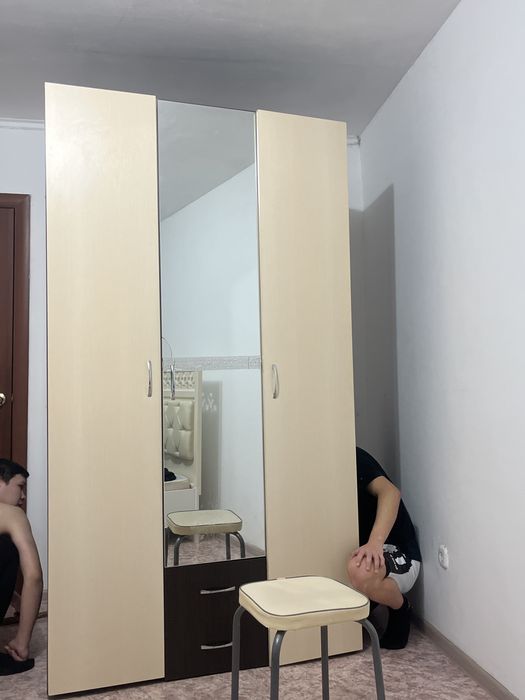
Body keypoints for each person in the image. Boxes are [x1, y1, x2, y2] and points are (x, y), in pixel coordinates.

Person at [347, 447, 421, 649]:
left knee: (361, 570)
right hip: (362, 550)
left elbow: (391, 493)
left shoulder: (355, 457)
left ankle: (401, 608)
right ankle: (373, 598)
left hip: (397, 550)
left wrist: (375, 542)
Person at [0, 458, 43, 675]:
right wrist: (22, 642)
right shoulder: (12, 514)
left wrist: (15, 597)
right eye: (20, 486)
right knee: (8, 548)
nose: (23, 497)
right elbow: (33, 576)